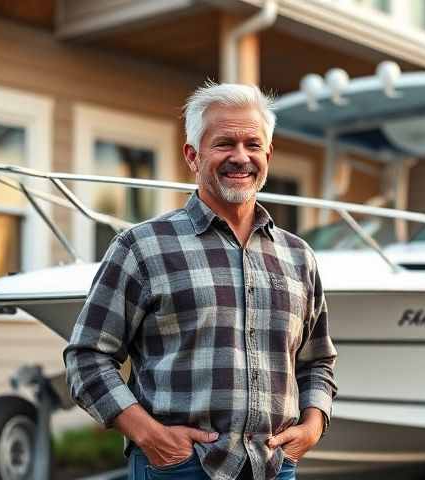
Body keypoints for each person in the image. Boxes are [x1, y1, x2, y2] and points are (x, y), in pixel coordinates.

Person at [64, 82, 337, 480]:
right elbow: (87, 356)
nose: (240, 157)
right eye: (225, 143)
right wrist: (149, 436)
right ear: (193, 155)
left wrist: (312, 426)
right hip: (180, 467)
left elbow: (317, 360)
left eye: (252, 145)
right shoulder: (142, 247)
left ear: (268, 155)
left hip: (273, 466)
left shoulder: (298, 257)